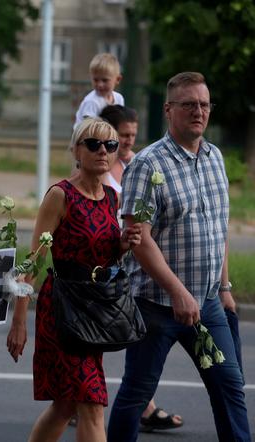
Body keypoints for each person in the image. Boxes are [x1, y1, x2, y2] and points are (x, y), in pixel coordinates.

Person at [107, 72, 250, 441]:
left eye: (204, 104)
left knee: (230, 387)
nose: (198, 112)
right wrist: (176, 291)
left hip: (207, 303)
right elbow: (139, 239)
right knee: (137, 395)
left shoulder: (215, 157)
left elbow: (217, 229)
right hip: (157, 305)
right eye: (189, 105)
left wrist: (224, 286)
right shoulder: (148, 164)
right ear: (169, 110)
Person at [6, 118, 142, 442]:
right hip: (63, 311)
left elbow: (105, 256)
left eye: (110, 145)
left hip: (95, 310)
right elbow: (33, 260)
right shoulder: (61, 194)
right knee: (92, 401)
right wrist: (19, 320)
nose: (103, 151)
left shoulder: (111, 197)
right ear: (76, 150)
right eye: (93, 144)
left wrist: (123, 244)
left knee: (65, 404)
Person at [99, 104, 184, 432]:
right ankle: (83, 399)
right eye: (122, 136)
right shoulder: (101, 167)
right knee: (104, 336)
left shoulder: (137, 163)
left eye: (133, 136)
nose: (128, 143)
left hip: (130, 261)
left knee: (128, 338)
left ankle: (140, 405)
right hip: (108, 264)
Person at [74, 53, 124, 130]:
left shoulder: (119, 98)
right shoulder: (91, 102)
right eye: (96, 80)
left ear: (117, 79)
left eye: (105, 80)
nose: (100, 84)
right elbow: (88, 130)